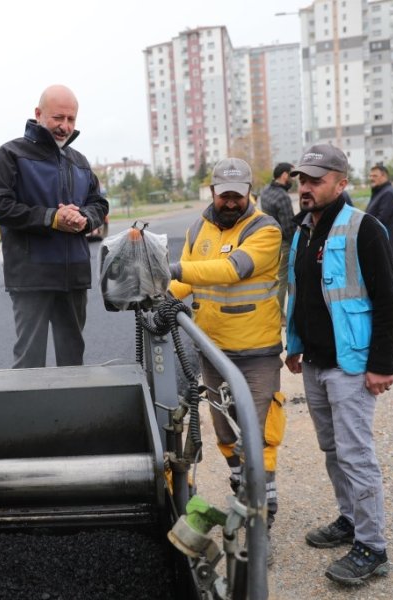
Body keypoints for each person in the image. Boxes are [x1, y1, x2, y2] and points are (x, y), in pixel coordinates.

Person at [284, 144, 393, 586]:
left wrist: (381, 365)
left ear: (341, 182)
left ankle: (373, 547)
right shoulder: (303, 231)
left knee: (356, 455)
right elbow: (301, 295)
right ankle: (350, 520)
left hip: (351, 366)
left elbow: (388, 302)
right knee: (333, 451)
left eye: (316, 179)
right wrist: (294, 345)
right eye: (303, 180)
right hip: (314, 362)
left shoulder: (363, 229)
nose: (306, 187)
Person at [168, 157, 285, 557]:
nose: (231, 202)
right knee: (226, 437)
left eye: (239, 195)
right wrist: (160, 299)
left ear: (250, 192)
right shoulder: (198, 227)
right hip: (214, 354)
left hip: (256, 355)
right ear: (213, 191)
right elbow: (183, 282)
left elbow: (233, 269)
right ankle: (244, 494)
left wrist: (176, 268)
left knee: (258, 437)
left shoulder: (265, 230)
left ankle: (261, 521)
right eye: (225, 194)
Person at [0, 85, 109, 368]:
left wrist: (85, 218)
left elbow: (99, 204)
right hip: (32, 278)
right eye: (58, 118)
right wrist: (51, 218)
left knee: (73, 359)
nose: (65, 126)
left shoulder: (80, 162)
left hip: (74, 275)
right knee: (30, 360)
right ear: (39, 114)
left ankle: (70, 412)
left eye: (71, 119)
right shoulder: (11, 154)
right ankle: (29, 413)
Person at [257, 162, 296, 321]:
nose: (294, 179)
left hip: (270, 240)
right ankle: (279, 316)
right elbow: (288, 226)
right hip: (284, 243)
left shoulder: (265, 191)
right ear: (285, 175)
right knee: (283, 280)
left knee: (273, 278)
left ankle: (272, 311)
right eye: (292, 175)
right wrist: (297, 244)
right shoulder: (282, 196)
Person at [366, 164, 393, 258]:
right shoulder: (378, 191)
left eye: (375, 176)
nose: (371, 178)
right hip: (376, 239)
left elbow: (382, 219)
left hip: (382, 240)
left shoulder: (388, 193)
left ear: (384, 176)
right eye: (371, 176)